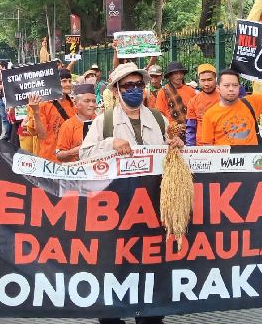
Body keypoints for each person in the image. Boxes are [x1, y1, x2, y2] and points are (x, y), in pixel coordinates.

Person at [79, 64, 182, 324]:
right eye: (128, 86)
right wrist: (110, 143)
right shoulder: (104, 122)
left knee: (151, 275)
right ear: (115, 91)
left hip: (152, 212)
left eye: (139, 85)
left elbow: (171, 150)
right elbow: (84, 155)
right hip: (116, 214)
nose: (135, 89)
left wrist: (176, 145)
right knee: (112, 273)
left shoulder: (158, 119)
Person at [200, 51, 262, 146]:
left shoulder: (251, 102)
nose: (231, 89)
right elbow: (208, 147)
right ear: (218, 88)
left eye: (235, 85)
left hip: (252, 155)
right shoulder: (209, 115)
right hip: (225, 156)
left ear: (239, 87)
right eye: (227, 85)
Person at [27, 69, 76, 162]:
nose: (68, 84)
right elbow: (42, 135)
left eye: (70, 81)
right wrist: (36, 112)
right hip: (50, 158)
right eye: (64, 81)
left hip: (69, 158)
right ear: (55, 83)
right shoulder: (43, 104)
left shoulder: (73, 105)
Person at [55, 83, 97, 163]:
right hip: (77, 168)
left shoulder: (100, 121)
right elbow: (59, 155)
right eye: (87, 101)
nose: (92, 105)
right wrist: (74, 151)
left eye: (94, 101)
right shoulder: (68, 125)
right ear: (75, 103)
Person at [185, 63, 219, 146]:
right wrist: (190, 148)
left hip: (221, 145)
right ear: (199, 81)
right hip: (201, 146)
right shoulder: (193, 101)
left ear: (215, 79)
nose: (206, 84)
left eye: (209, 80)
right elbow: (190, 128)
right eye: (203, 80)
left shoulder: (224, 98)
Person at [154, 61, 197, 125]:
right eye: (176, 74)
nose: (179, 76)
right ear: (170, 76)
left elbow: (195, 111)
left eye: (181, 73)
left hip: (189, 128)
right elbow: (159, 114)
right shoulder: (163, 92)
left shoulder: (191, 90)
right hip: (171, 128)